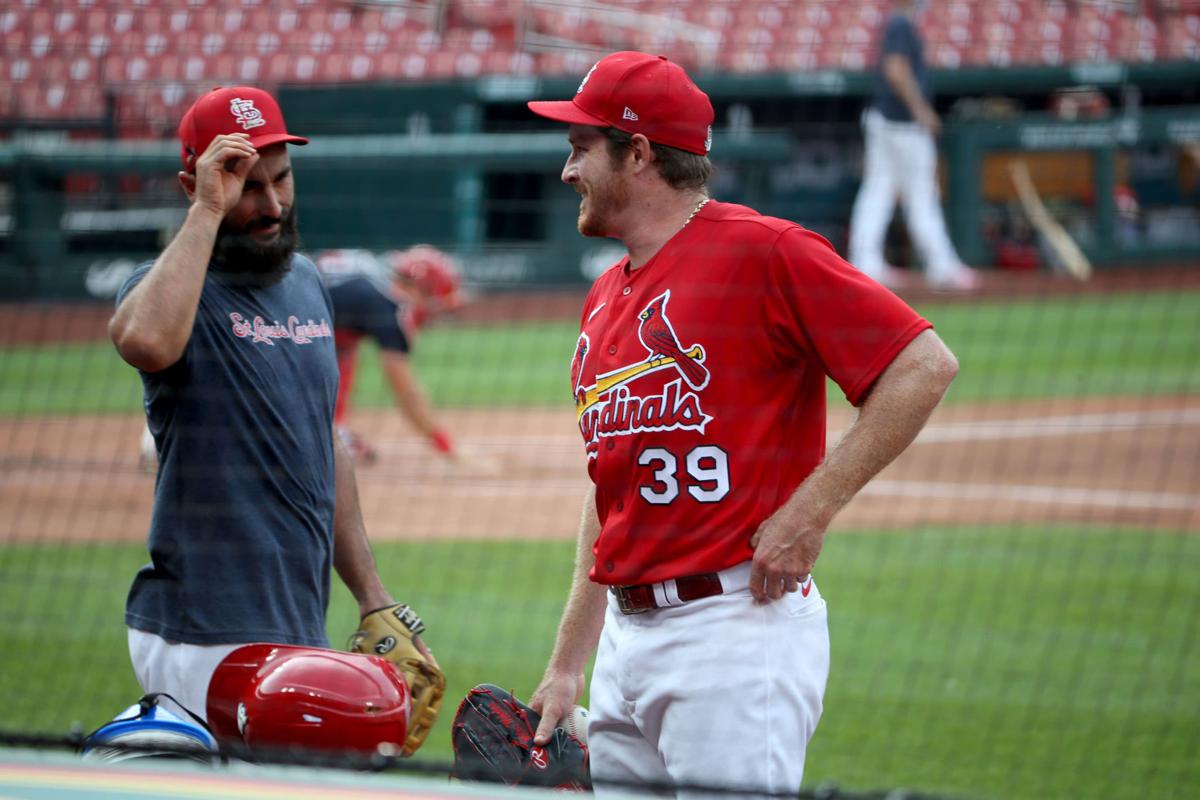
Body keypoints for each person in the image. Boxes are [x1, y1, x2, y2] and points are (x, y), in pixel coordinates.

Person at [524, 51, 960, 797]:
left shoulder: (765, 252)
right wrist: (568, 664)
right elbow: (610, 486)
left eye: (580, 148)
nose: (567, 170)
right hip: (626, 648)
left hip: (734, 631)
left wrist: (812, 509)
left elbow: (923, 363)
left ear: (637, 153)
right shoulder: (603, 296)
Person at [108, 85, 431, 721]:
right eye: (245, 186)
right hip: (200, 630)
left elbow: (324, 440)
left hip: (294, 620)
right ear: (194, 184)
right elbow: (144, 340)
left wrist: (371, 595)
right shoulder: (167, 291)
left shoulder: (307, 283)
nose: (272, 204)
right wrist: (207, 211)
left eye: (281, 179)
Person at [847, 0, 981, 291]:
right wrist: (922, 110)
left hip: (885, 119)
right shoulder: (901, 23)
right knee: (919, 193)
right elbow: (895, 69)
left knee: (879, 190)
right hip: (902, 123)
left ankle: (866, 262)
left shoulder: (898, 22)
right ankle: (941, 266)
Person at [313, 245, 465, 465]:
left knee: (344, 347)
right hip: (276, 327)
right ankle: (314, 438)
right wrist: (446, 447)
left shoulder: (375, 279)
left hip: (282, 313)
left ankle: (332, 429)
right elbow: (406, 393)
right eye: (434, 299)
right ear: (419, 288)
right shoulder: (388, 306)